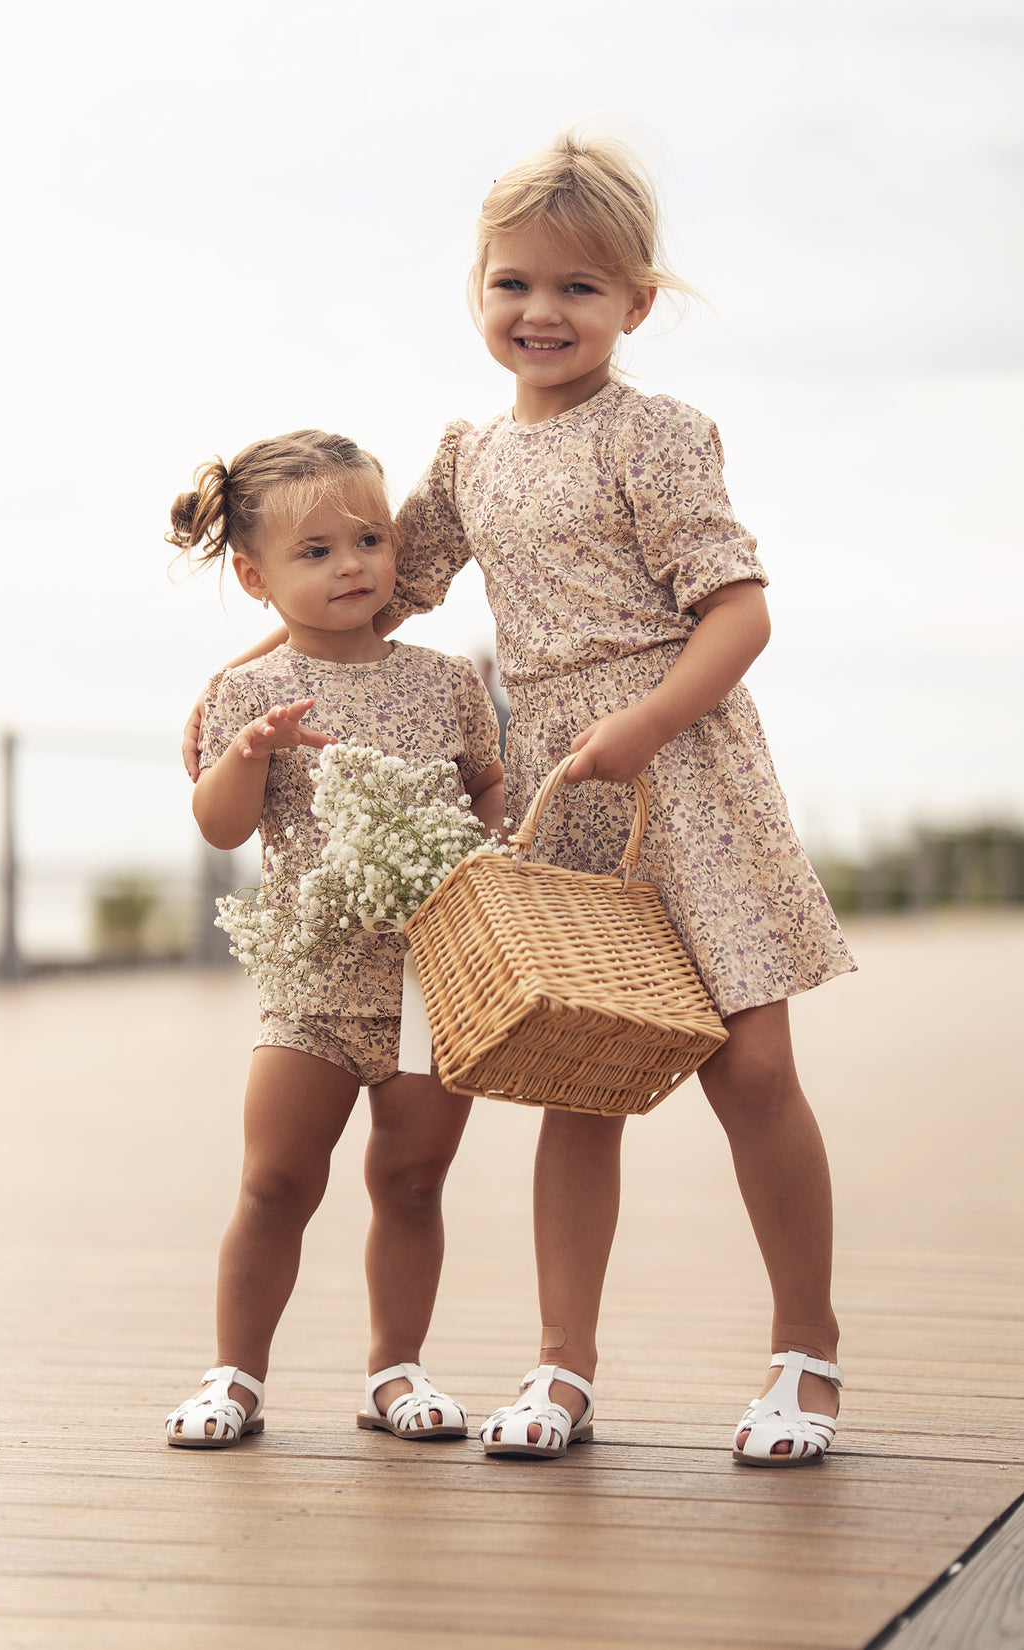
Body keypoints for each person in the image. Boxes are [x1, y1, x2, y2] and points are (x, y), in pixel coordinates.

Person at [183, 132, 856, 1468]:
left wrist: (645, 723)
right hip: (556, 779)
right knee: (580, 1074)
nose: (541, 312)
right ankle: (562, 1366)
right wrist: (226, 687)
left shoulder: (659, 435)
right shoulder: (471, 458)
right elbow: (374, 586)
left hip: (686, 766)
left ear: (634, 304)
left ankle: (807, 1352)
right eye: (512, 284)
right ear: (478, 292)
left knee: (757, 1066)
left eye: (579, 289)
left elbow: (740, 610)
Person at [165, 430, 505, 1449]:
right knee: (274, 1181)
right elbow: (220, 826)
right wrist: (245, 755)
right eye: (315, 552)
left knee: (410, 1181)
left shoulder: (444, 682)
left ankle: (394, 1370)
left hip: (423, 989)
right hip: (308, 988)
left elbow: (486, 783)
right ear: (254, 575)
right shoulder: (245, 695)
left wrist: (470, 847)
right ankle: (235, 1374)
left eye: (367, 538)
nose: (351, 564)